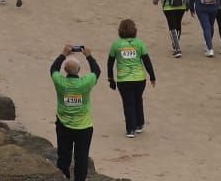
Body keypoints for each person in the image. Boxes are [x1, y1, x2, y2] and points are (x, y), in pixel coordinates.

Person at [49, 45, 100, 181]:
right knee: (82, 157)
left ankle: (63, 177)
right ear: (79, 70)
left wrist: (63, 54)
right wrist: (89, 56)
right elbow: (97, 71)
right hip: (83, 127)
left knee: (63, 156)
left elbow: (53, 69)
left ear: (65, 71)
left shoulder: (61, 83)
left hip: (64, 125)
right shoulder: (85, 83)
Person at [106, 18, 157, 136]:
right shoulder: (139, 43)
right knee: (138, 99)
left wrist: (110, 79)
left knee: (128, 103)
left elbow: (110, 63)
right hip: (139, 79)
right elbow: (147, 61)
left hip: (124, 80)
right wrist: (152, 76)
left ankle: (130, 129)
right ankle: (139, 124)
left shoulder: (116, 44)